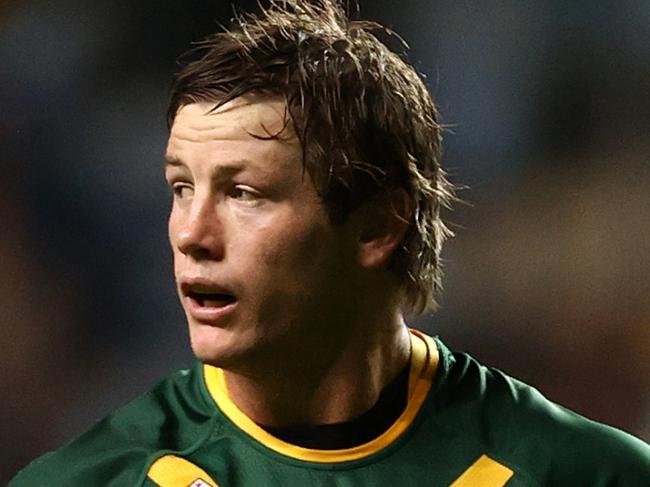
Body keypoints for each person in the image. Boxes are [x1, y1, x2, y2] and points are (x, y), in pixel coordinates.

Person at [10, 1, 650, 485]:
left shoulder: (584, 473)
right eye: (181, 189)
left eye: (244, 194)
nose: (190, 235)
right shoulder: (93, 477)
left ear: (378, 226)